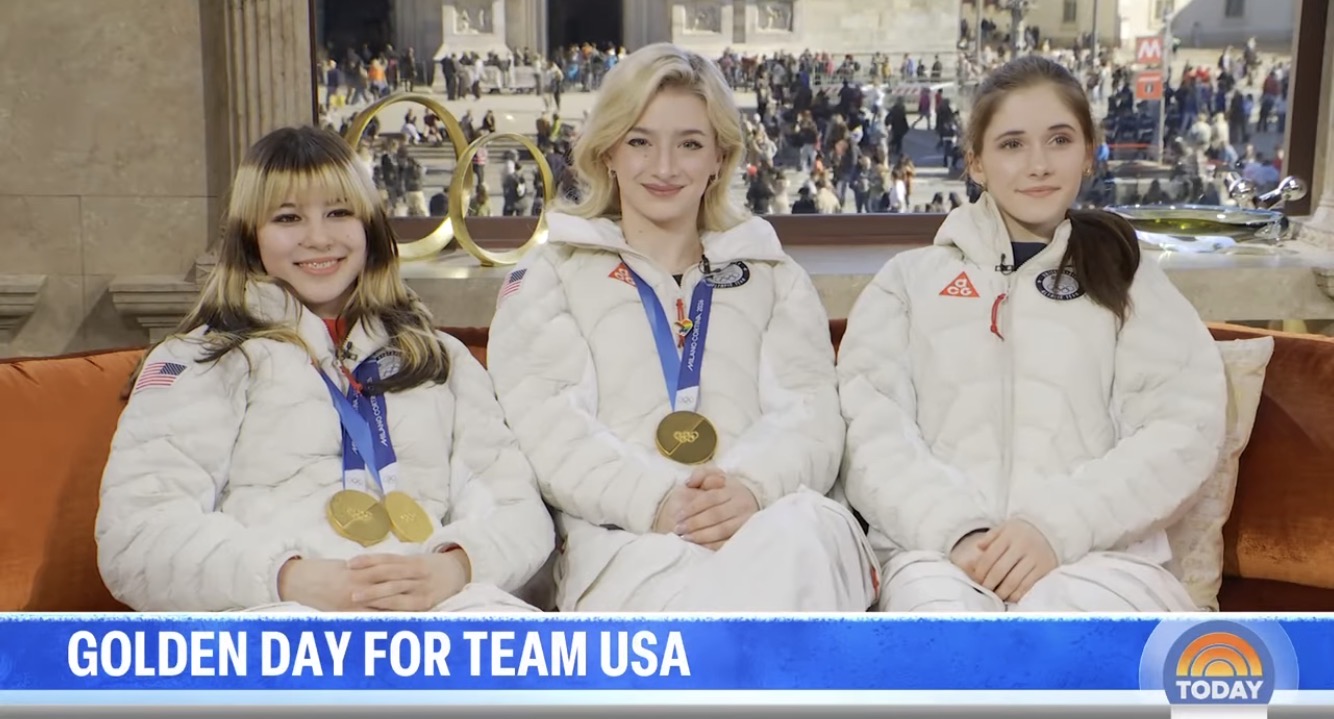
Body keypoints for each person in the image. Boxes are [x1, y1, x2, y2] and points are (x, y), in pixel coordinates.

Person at [486, 43, 878, 613]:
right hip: (627, 546)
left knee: (804, 532)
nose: (664, 167)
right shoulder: (549, 276)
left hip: (771, 527)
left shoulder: (775, 276)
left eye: (690, 144)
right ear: (608, 150)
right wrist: (657, 502)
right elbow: (549, 430)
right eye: (640, 141)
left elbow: (811, 416)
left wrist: (749, 490)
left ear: (720, 156)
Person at [96, 127, 554, 613]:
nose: (318, 238)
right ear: (250, 236)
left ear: (369, 225)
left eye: (339, 213)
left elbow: (515, 507)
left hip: (437, 620)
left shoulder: (440, 358)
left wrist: (458, 566)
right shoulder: (202, 359)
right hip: (282, 624)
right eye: (288, 217)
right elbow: (138, 534)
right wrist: (286, 578)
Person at [838, 56, 1227, 612]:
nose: (1038, 165)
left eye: (1059, 140)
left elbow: (1182, 428)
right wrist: (958, 533)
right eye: (1013, 144)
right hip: (938, 560)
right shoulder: (908, 282)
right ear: (976, 162)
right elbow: (871, 434)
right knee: (941, 644)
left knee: (1065, 643)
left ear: (1088, 153)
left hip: (1100, 561)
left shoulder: (1129, 277)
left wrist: (1055, 528)